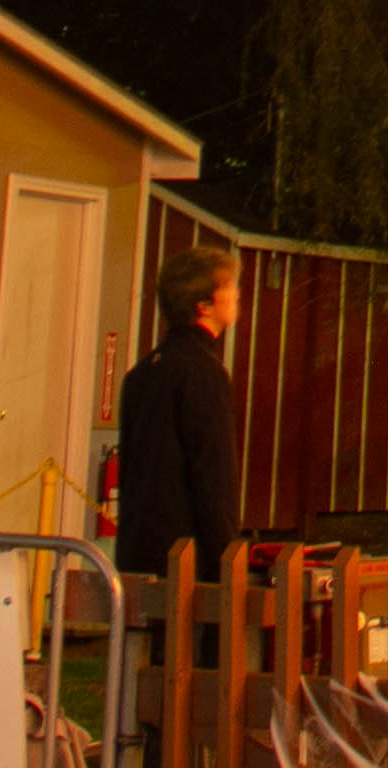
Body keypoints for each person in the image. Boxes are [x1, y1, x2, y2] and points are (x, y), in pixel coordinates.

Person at [113, 247, 243, 579]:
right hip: (189, 558)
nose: (237, 294)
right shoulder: (203, 372)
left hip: (140, 549)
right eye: (228, 287)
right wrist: (226, 556)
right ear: (203, 305)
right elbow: (213, 473)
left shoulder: (143, 372)